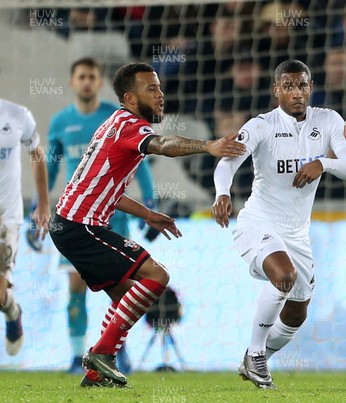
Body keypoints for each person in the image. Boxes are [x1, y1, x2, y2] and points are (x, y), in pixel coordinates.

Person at [49, 62, 245, 388]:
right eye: (151, 89)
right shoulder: (129, 125)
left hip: (70, 223)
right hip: (80, 225)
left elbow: (104, 187)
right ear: (129, 97)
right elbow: (164, 145)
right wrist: (207, 146)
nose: (160, 95)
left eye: (160, 88)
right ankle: (100, 354)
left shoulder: (114, 122)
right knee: (157, 276)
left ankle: (98, 370)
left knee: (127, 294)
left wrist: (147, 214)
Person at [212, 60, 346, 389]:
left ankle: (254, 360)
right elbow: (227, 164)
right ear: (276, 90)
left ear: (310, 88)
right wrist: (223, 193)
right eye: (289, 86)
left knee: (297, 313)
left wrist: (322, 163)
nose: (296, 93)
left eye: (302, 86)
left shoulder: (328, 121)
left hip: (297, 233)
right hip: (258, 222)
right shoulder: (260, 126)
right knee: (284, 276)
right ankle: (255, 355)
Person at [45, 57, 156, 374]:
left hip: (112, 214)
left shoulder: (115, 115)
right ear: (72, 82)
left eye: (92, 76)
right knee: (75, 288)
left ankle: (116, 352)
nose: (87, 82)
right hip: (77, 216)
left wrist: (150, 200)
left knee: (120, 289)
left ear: (99, 81)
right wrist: (40, 208)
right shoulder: (59, 122)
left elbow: (142, 160)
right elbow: (53, 167)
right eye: (81, 76)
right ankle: (77, 356)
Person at [0, 98, 51, 356]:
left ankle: (12, 312)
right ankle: (10, 309)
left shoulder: (17, 115)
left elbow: (37, 154)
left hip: (6, 217)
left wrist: (42, 203)